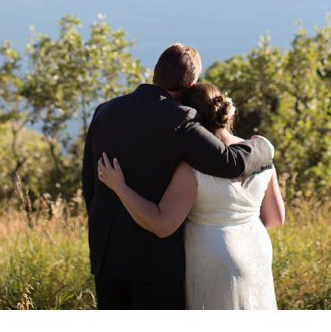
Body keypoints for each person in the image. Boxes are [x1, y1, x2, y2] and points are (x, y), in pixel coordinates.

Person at [82, 44, 274, 310]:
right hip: (155, 261)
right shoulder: (181, 119)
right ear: (191, 83)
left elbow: (90, 184)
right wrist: (264, 147)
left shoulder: (105, 111)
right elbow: (229, 163)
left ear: (156, 73)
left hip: (107, 255)